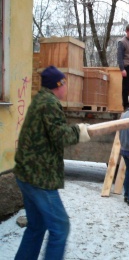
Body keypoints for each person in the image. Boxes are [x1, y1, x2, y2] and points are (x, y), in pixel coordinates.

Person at [13, 65, 91, 260]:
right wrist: (79, 132)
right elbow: (59, 135)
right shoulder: (49, 103)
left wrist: (75, 129)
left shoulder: (41, 100)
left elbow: (52, 131)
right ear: (58, 85)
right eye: (64, 83)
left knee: (37, 227)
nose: (66, 87)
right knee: (60, 228)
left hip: (27, 173)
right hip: (38, 177)